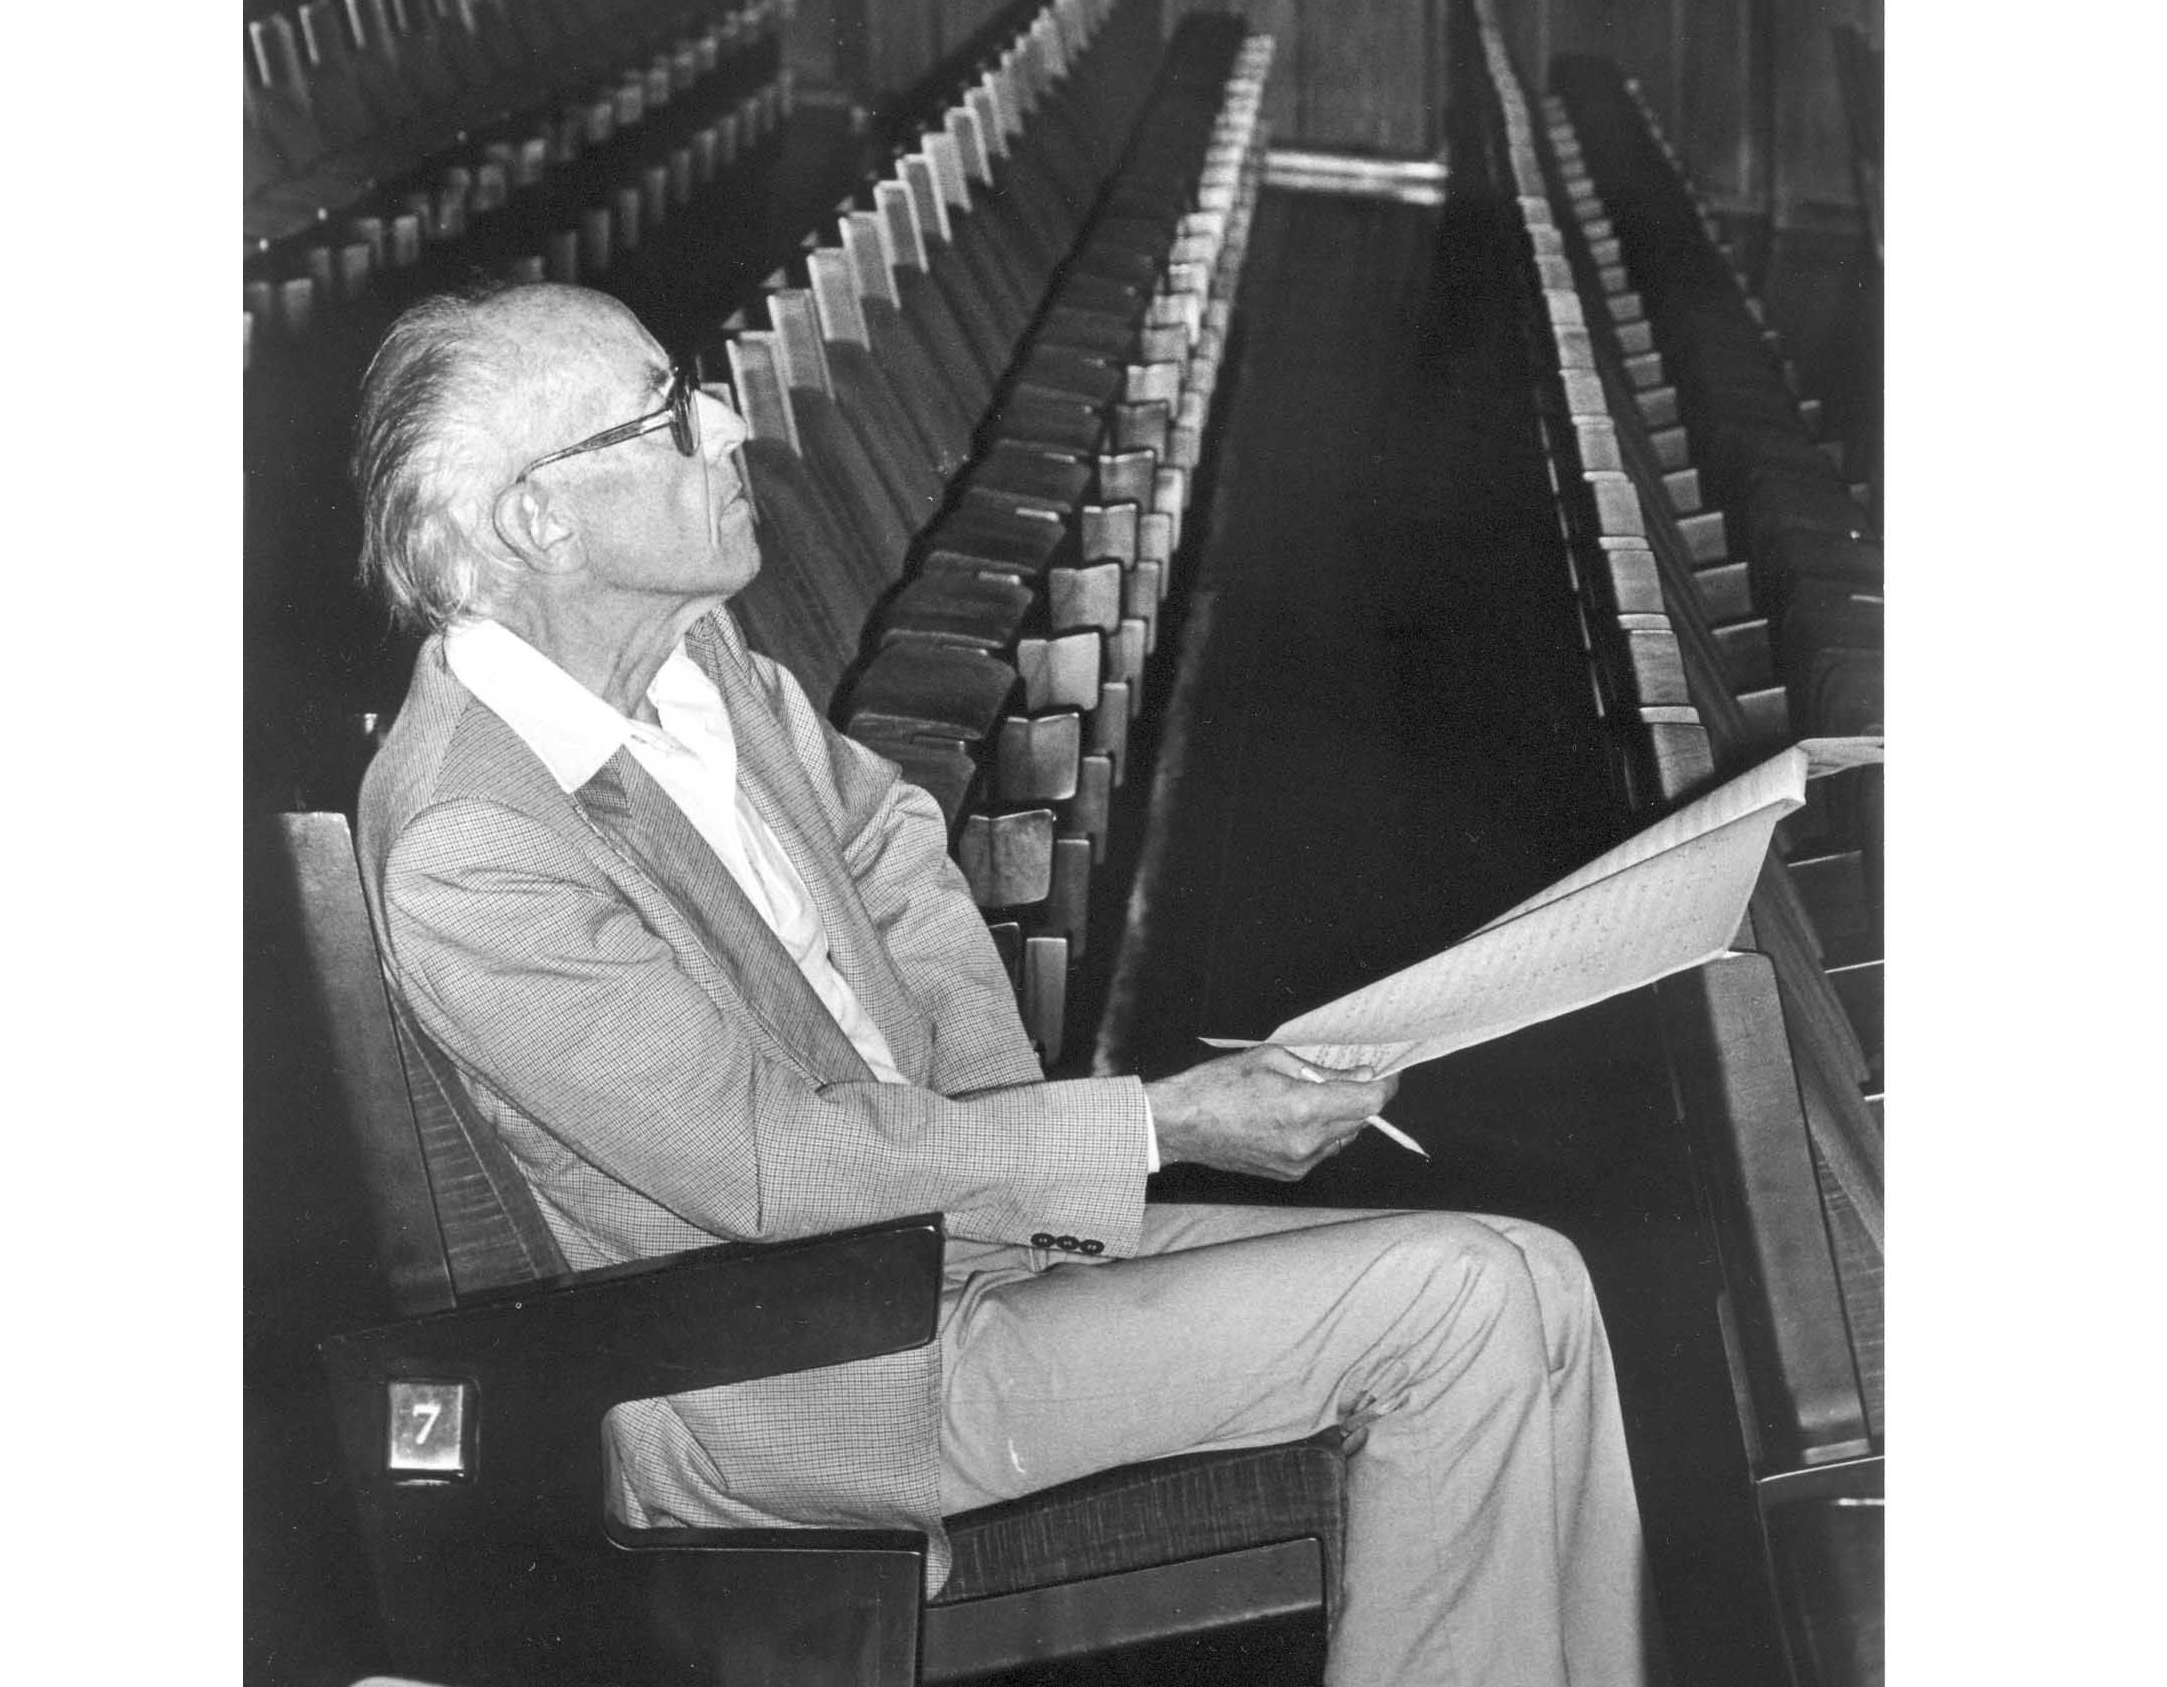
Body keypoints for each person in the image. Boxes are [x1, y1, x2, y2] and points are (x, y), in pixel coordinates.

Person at [351, 280, 1650, 1687]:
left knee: (1543, 1276)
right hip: (788, 1362)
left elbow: (886, 835)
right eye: (666, 419)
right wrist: (1156, 1125)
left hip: (929, 1248)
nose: (725, 428)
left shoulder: (684, 658)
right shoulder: (474, 838)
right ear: (540, 519)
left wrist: (993, 1120)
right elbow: (768, 1163)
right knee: (1453, 1302)